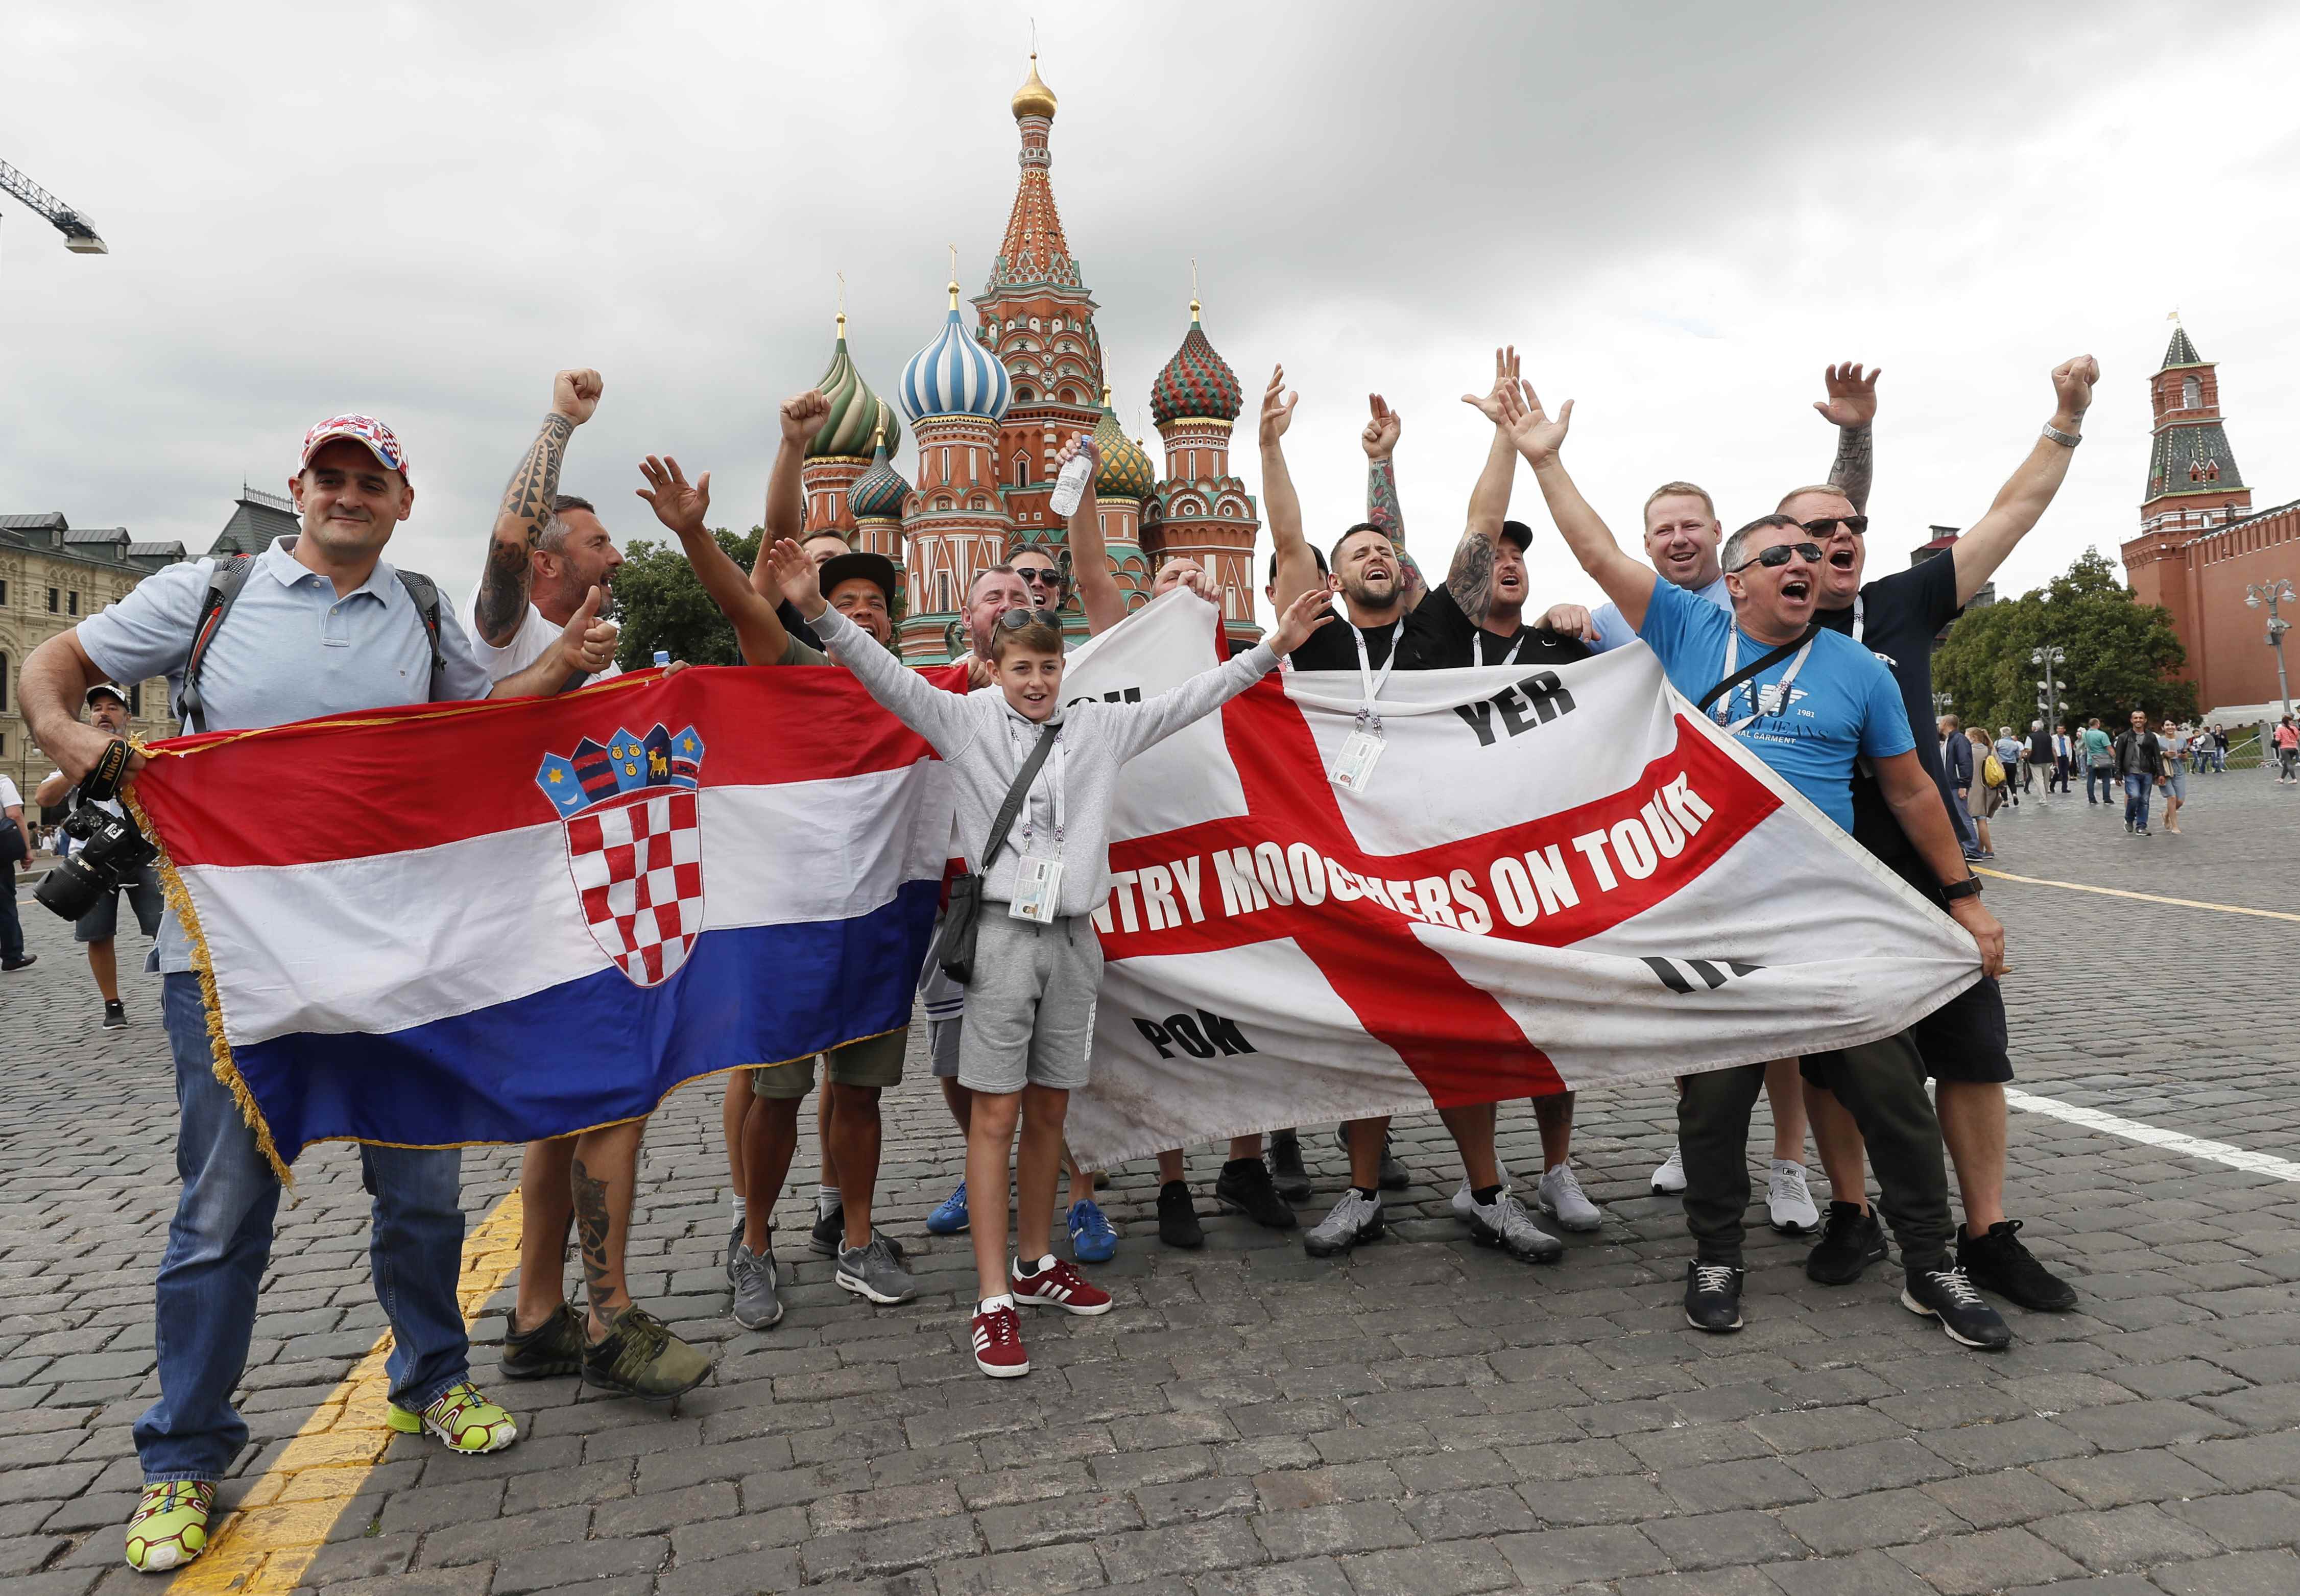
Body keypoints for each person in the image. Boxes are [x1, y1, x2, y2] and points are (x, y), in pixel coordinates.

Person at [17, 412, 614, 1571]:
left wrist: (567, 663)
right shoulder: (208, 593)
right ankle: (184, 1455)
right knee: (221, 1214)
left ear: (398, 500)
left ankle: (429, 1380)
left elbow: (490, 718)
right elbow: (55, 665)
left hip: (394, 958)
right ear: (300, 488)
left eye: (369, 480)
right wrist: (60, 731)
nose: (346, 493)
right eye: (329, 475)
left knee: (424, 1196)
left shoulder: (424, 610)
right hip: (228, 962)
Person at [1505, 375, 2010, 1350]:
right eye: (1772, 553)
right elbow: (1599, 550)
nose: (1798, 561)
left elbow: (1909, 792)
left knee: (1885, 1084)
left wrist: (1964, 897)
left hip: (1822, 912)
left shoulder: (1860, 671)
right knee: (1714, 1101)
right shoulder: (1690, 630)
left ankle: (1928, 1262)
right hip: (1716, 912)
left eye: (1805, 554)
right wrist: (1542, 458)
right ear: (1732, 583)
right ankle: (1713, 1255)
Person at [768, 535, 1336, 1378]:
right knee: (993, 1116)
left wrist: (1269, 649)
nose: (1035, 681)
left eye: (1048, 666)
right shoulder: (961, 722)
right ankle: (992, 1297)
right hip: (1001, 938)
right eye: (1021, 667)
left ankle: (1036, 1263)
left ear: (1063, 666)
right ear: (991, 667)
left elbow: (1191, 699)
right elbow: (876, 672)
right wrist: (815, 611)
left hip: (1074, 938)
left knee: (1049, 1114)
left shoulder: (1098, 728)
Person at [1785, 354, 2092, 1318]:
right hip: (1815, 878)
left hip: (1926, 871)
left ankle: (1985, 1232)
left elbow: (2012, 514)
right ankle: (1849, 1211)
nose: (1838, 539)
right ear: (1772, 555)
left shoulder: (1901, 603)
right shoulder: (1746, 631)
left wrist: (2063, 418)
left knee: (1969, 1051)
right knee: (1832, 1058)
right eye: (1815, 529)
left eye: (1850, 528)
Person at [1262, 352, 1575, 1263]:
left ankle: (1487, 1192)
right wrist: (1269, 444)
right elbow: (1287, 543)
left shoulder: (1437, 630)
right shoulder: (1313, 638)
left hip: (1438, 862)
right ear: (1335, 577)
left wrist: (1502, 438)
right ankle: (1361, 1194)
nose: (1369, 554)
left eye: (1381, 549)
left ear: (1401, 574)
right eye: (1352, 548)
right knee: (1360, 1032)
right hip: (1339, 860)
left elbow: (1481, 527)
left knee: (1458, 1030)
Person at [633, 449, 927, 1319]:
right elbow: (736, 598)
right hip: (787, 921)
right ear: (814, 613)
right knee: (776, 1092)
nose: (864, 614)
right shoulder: (791, 665)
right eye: (848, 604)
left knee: (862, 1093)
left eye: (877, 605)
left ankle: (860, 1239)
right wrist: (692, 532)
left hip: (873, 920)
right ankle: (753, 1241)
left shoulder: (912, 692)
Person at [466, 370, 711, 1404]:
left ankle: (534, 1318)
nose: (619, 555)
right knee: (612, 1097)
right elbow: (509, 547)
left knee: (566, 1115)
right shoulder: (502, 631)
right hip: (538, 921)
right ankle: (608, 1317)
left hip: (581, 915)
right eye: (603, 542)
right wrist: (561, 423)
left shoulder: (606, 663)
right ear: (558, 563)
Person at [1062, 419, 1297, 1249]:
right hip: (1143, 862)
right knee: (1157, 1024)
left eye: (1196, 570)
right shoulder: (1122, 643)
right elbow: (1091, 568)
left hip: (1224, 859)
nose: (1184, 573)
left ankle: (1244, 1161)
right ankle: (1170, 1182)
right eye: (1168, 568)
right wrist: (1083, 481)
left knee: (1244, 1011)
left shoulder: (1229, 652)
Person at [1568, 475, 1818, 1233]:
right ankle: (1698, 1140)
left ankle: (1788, 1165)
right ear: (1646, 545)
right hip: (1688, 839)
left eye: (1691, 526)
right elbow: (1588, 613)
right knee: (1699, 1000)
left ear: (1721, 538)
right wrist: (1566, 617)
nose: (1678, 539)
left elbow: (1824, 540)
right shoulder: (1628, 613)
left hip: (1778, 836)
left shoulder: (1757, 598)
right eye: (1663, 530)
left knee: (1786, 1019)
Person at [33, 684, 164, 1025]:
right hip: (92, 861)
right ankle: (113, 1005)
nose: (104, 713)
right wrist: (77, 765)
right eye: (97, 708)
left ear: (127, 716)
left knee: (164, 929)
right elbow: (44, 798)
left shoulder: (144, 754)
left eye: (113, 708)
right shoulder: (76, 756)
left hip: (143, 855)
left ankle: (172, 996)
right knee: (98, 934)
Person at [2115, 708, 2168, 834]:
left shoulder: (2151, 737)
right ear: (2131, 720)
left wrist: (2161, 773)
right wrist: (2118, 774)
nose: (2138, 720)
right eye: (2136, 718)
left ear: (2145, 720)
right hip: (2131, 773)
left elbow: (2157, 756)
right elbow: (2119, 757)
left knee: (2144, 801)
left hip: (2147, 772)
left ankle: (2141, 826)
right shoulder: (2124, 737)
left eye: (2141, 718)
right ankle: (2129, 819)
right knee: (2134, 796)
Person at [0, 769, 32, 973]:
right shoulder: (2, 781)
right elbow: (14, 814)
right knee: (4, 904)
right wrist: (26, 849)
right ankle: (12, 955)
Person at [1940, 717, 1984, 858]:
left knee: (1963, 817)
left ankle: (1973, 849)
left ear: (1946, 724)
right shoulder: (1952, 740)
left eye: (1941, 722)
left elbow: (1964, 763)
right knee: (1958, 816)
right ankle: (1967, 847)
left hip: (1956, 784)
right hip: (1952, 784)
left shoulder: (1958, 740)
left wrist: (1963, 785)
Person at [1968, 727, 2003, 853]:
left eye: (1967, 736)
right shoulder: (1990, 750)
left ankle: (1989, 851)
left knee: (1980, 821)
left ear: (1974, 738)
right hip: (1990, 789)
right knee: (1982, 819)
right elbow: (2001, 769)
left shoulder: (1969, 751)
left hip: (1975, 790)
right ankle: (1981, 848)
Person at [2160, 718, 2190, 832]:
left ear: (2176, 727)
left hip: (2179, 771)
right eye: (2167, 725)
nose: (2170, 727)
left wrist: (2184, 757)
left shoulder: (2182, 741)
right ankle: (2175, 826)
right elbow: (2153, 756)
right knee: (2172, 797)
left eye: (2172, 724)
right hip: (2165, 772)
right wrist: (2164, 754)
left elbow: (2186, 757)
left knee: (2180, 801)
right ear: (2163, 728)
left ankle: (2166, 814)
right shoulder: (2159, 741)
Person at [2082, 716, 2116, 804]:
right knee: (2106, 779)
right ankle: (2107, 798)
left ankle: (2092, 799)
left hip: (2091, 759)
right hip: (2103, 760)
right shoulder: (2102, 735)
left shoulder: (2085, 734)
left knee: (2091, 780)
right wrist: (2115, 757)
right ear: (2098, 724)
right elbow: (2109, 748)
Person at [1994, 726, 2025, 805]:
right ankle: (2014, 794)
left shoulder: (1998, 743)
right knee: (2012, 782)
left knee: (2002, 782)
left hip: (2002, 764)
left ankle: (2006, 801)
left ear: (2002, 734)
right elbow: (2018, 755)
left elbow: (1994, 754)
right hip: (2012, 764)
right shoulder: (2014, 744)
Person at [2026, 720, 2055, 800]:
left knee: (2039, 780)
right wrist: (2055, 761)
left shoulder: (2030, 737)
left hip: (2035, 761)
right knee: (2046, 780)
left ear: (2035, 727)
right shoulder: (2049, 736)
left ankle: (2043, 798)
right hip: (2048, 760)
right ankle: (2046, 795)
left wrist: (2027, 758)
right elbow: (2053, 750)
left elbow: (2029, 750)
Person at [2051, 723, 2075, 793]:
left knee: (2065, 773)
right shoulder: (2053, 738)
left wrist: (2070, 759)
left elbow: (2070, 749)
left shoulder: (2067, 738)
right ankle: (2052, 786)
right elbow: (2052, 749)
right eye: (2059, 729)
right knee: (2058, 773)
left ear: (2064, 730)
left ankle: (2064, 788)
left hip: (2065, 756)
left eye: (2062, 729)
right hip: (2058, 757)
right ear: (2057, 730)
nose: (2060, 730)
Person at [2275, 715, 2297, 783]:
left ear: (2283, 723)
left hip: (2285, 748)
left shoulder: (2280, 729)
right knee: (2286, 764)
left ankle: (2294, 779)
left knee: (2288, 763)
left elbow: (2277, 739)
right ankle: (2282, 778)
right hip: (2294, 748)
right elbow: (2298, 738)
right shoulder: (2294, 728)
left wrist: (2276, 738)